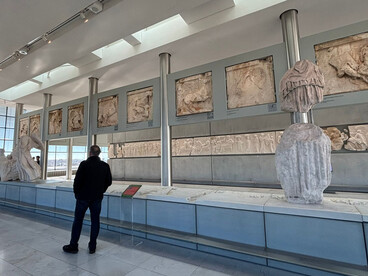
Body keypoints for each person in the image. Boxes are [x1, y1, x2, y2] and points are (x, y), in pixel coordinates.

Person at [63, 145, 112, 254]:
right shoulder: (105, 166)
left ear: (90, 153)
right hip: (97, 198)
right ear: (99, 153)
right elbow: (108, 181)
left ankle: (73, 245)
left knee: (78, 220)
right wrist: (101, 190)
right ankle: (92, 246)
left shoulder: (84, 164)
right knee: (95, 221)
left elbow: (77, 181)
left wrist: (77, 193)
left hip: (83, 198)